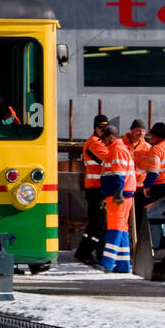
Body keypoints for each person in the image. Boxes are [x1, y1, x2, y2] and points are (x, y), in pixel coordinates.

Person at [98, 125, 137, 274]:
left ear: (111, 137)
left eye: (104, 138)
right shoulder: (120, 149)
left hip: (118, 195)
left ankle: (107, 263)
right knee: (122, 228)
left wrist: (118, 193)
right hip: (122, 194)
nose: (103, 141)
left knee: (115, 228)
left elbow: (119, 173)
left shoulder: (117, 150)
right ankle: (123, 264)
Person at [74, 114, 110, 266]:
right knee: (98, 223)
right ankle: (85, 252)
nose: (103, 130)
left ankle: (84, 251)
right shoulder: (94, 143)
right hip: (96, 188)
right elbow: (108, 160)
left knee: (96, 223)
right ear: (95, 128)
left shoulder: (100, 142)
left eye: (105, 128)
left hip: (98, 187)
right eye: (101, 127)